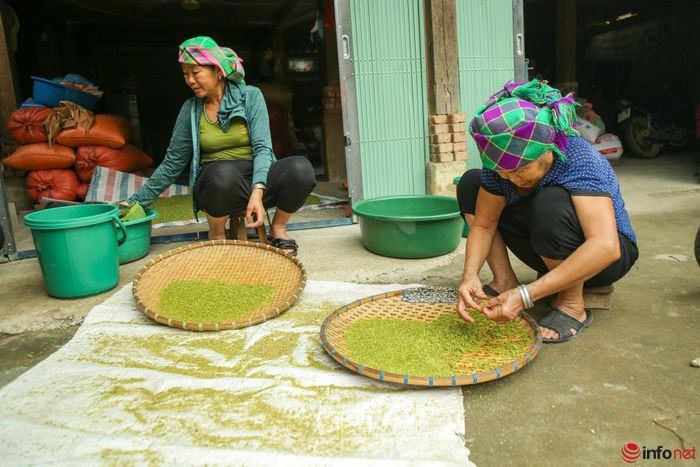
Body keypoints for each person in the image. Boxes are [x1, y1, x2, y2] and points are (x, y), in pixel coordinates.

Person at [455, 80, 638, 343]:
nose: (509, 178)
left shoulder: (580, 159)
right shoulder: (501, 169)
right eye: (502, 172)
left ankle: (571, 304)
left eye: (519, 171)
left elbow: (606, 246)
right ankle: (504, 281)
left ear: (546, 151)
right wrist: (469, 276)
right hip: (544, 245)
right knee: (472, 184)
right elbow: (484, 225)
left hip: (604, 259)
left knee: (550, 201)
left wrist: (526, 296)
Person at [126, 36, 316, 255]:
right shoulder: (191, 110)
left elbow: (263, 148)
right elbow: (172, 163)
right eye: (185, 74)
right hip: (217, 184)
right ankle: (216, 232)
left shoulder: (251, 97)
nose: (189, 80)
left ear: (218, 71)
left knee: (301, 169)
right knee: (223, 173)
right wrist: (135, 203)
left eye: (195, 73)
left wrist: (257, 191)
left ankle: (279, 228)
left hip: (255, 177)